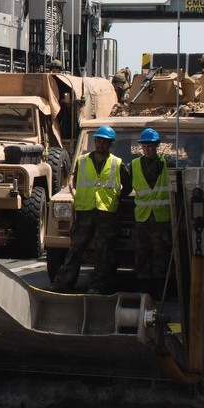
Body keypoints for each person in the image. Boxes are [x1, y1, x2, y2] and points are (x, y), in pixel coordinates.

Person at [52, 125, 123, 293]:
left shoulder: (117, 163)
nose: (101, 145)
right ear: (94, 141)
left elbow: (124, 186)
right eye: (98, 141)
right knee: (75, 250)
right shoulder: (82, 161)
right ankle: (62, 284)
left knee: (102, 252)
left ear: (110, 144)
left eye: (105, 142)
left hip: (105, 214)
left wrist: (112, 199)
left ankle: (96, 286)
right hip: (85, 213)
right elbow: (77, 183)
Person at [128, 127, 173, 292]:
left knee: (162, 255)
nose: (147, 149)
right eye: (145, 146)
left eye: (151, 146)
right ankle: (144, 288)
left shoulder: (168, 163)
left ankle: (161, 289)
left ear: (157, 146)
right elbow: (127, 187)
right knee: (142, 254)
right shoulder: (134, 165)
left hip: (162, 218)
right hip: (142, 219)